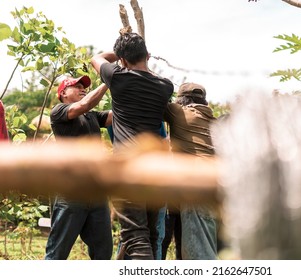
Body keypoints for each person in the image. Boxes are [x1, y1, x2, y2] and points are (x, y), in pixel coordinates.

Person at [91, 32, 174, 260]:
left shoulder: (118, 77)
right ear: (147, 55)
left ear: (123, 61)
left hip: (129, 169)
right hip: (155, 170)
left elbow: (96, 58)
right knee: (147, 234)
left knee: (136, 238)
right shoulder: (166, 86)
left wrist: (119, 55)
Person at [45, 75, 113, 260]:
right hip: (71, 193)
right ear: (63, 94)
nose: (83, 88)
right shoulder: (59, 111)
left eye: (84, 86)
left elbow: (114, 116)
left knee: (103, 253)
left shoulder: (91, 115)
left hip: (96, 194)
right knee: (57, 253)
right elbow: (82, 106)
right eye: (76, 86)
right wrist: (109, 80)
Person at [163, 82, 218, 260]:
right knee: (208, 240)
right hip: (214, 186)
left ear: (181, 100)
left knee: (199, 249)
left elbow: (152, 98)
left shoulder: (179, 113)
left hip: (195, 186)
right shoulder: (210, 118)